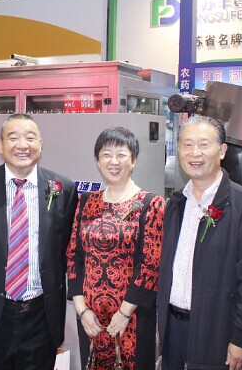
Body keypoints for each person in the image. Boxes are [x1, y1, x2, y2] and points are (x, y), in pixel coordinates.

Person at [0, 113, 78, 370]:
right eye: (13, 138)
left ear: (41, 145)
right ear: (0, 145)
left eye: (30, 138)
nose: (22, 145)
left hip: (41, 317)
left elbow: (68, 252)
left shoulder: (64, 190)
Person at [157, 115, 242, 370]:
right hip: (172, 330)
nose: (194, 153)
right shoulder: (176, 204)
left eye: (204, 144)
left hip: (219, 332)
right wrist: (160, 321)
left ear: (222, 151)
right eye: (187, 145)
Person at [67, 126, 165, 370]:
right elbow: (74, 257)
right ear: (97, 161)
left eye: (121, 155)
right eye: (106, 155)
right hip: (90, 320)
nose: (114, 161)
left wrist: (123, 314)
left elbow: (150, 265)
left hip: (132, 318)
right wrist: (82, 311)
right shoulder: (86, 202)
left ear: (133, 160)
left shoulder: (150, 204)